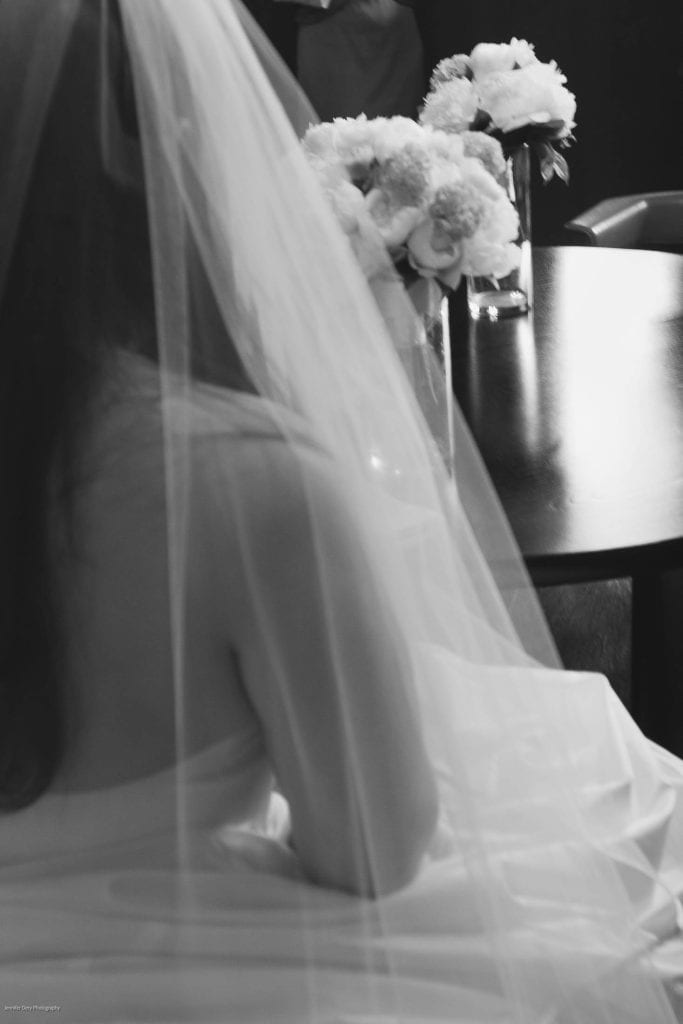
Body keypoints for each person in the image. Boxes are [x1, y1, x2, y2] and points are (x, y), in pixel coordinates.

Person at [0, 1, 682, 1022]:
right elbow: (371, 849)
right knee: (623, 821)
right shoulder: (245, 486)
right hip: (185, 971)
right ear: (174, 151)